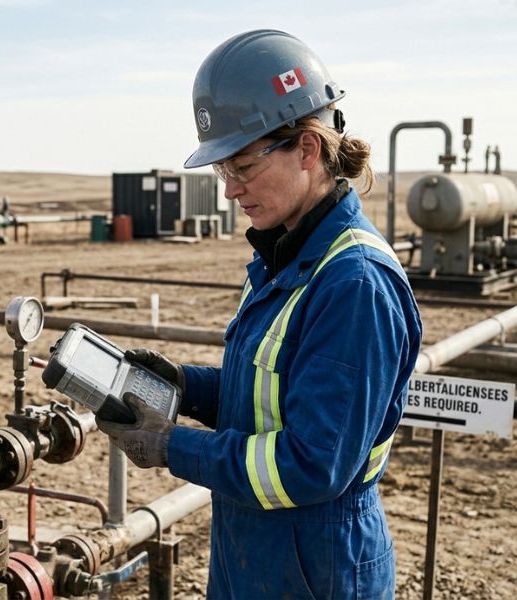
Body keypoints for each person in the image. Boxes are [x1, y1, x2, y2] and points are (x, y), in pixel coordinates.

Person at [96, 29, 423, 599]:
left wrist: (172, 445)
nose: (230, 192)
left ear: (308, 149)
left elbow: (311, 463)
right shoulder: (285, 257)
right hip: (258, 552)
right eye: (223, 172)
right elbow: (271, 394)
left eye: (242, 167)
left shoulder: (353, 285)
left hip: (316, 568)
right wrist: (185, 386)